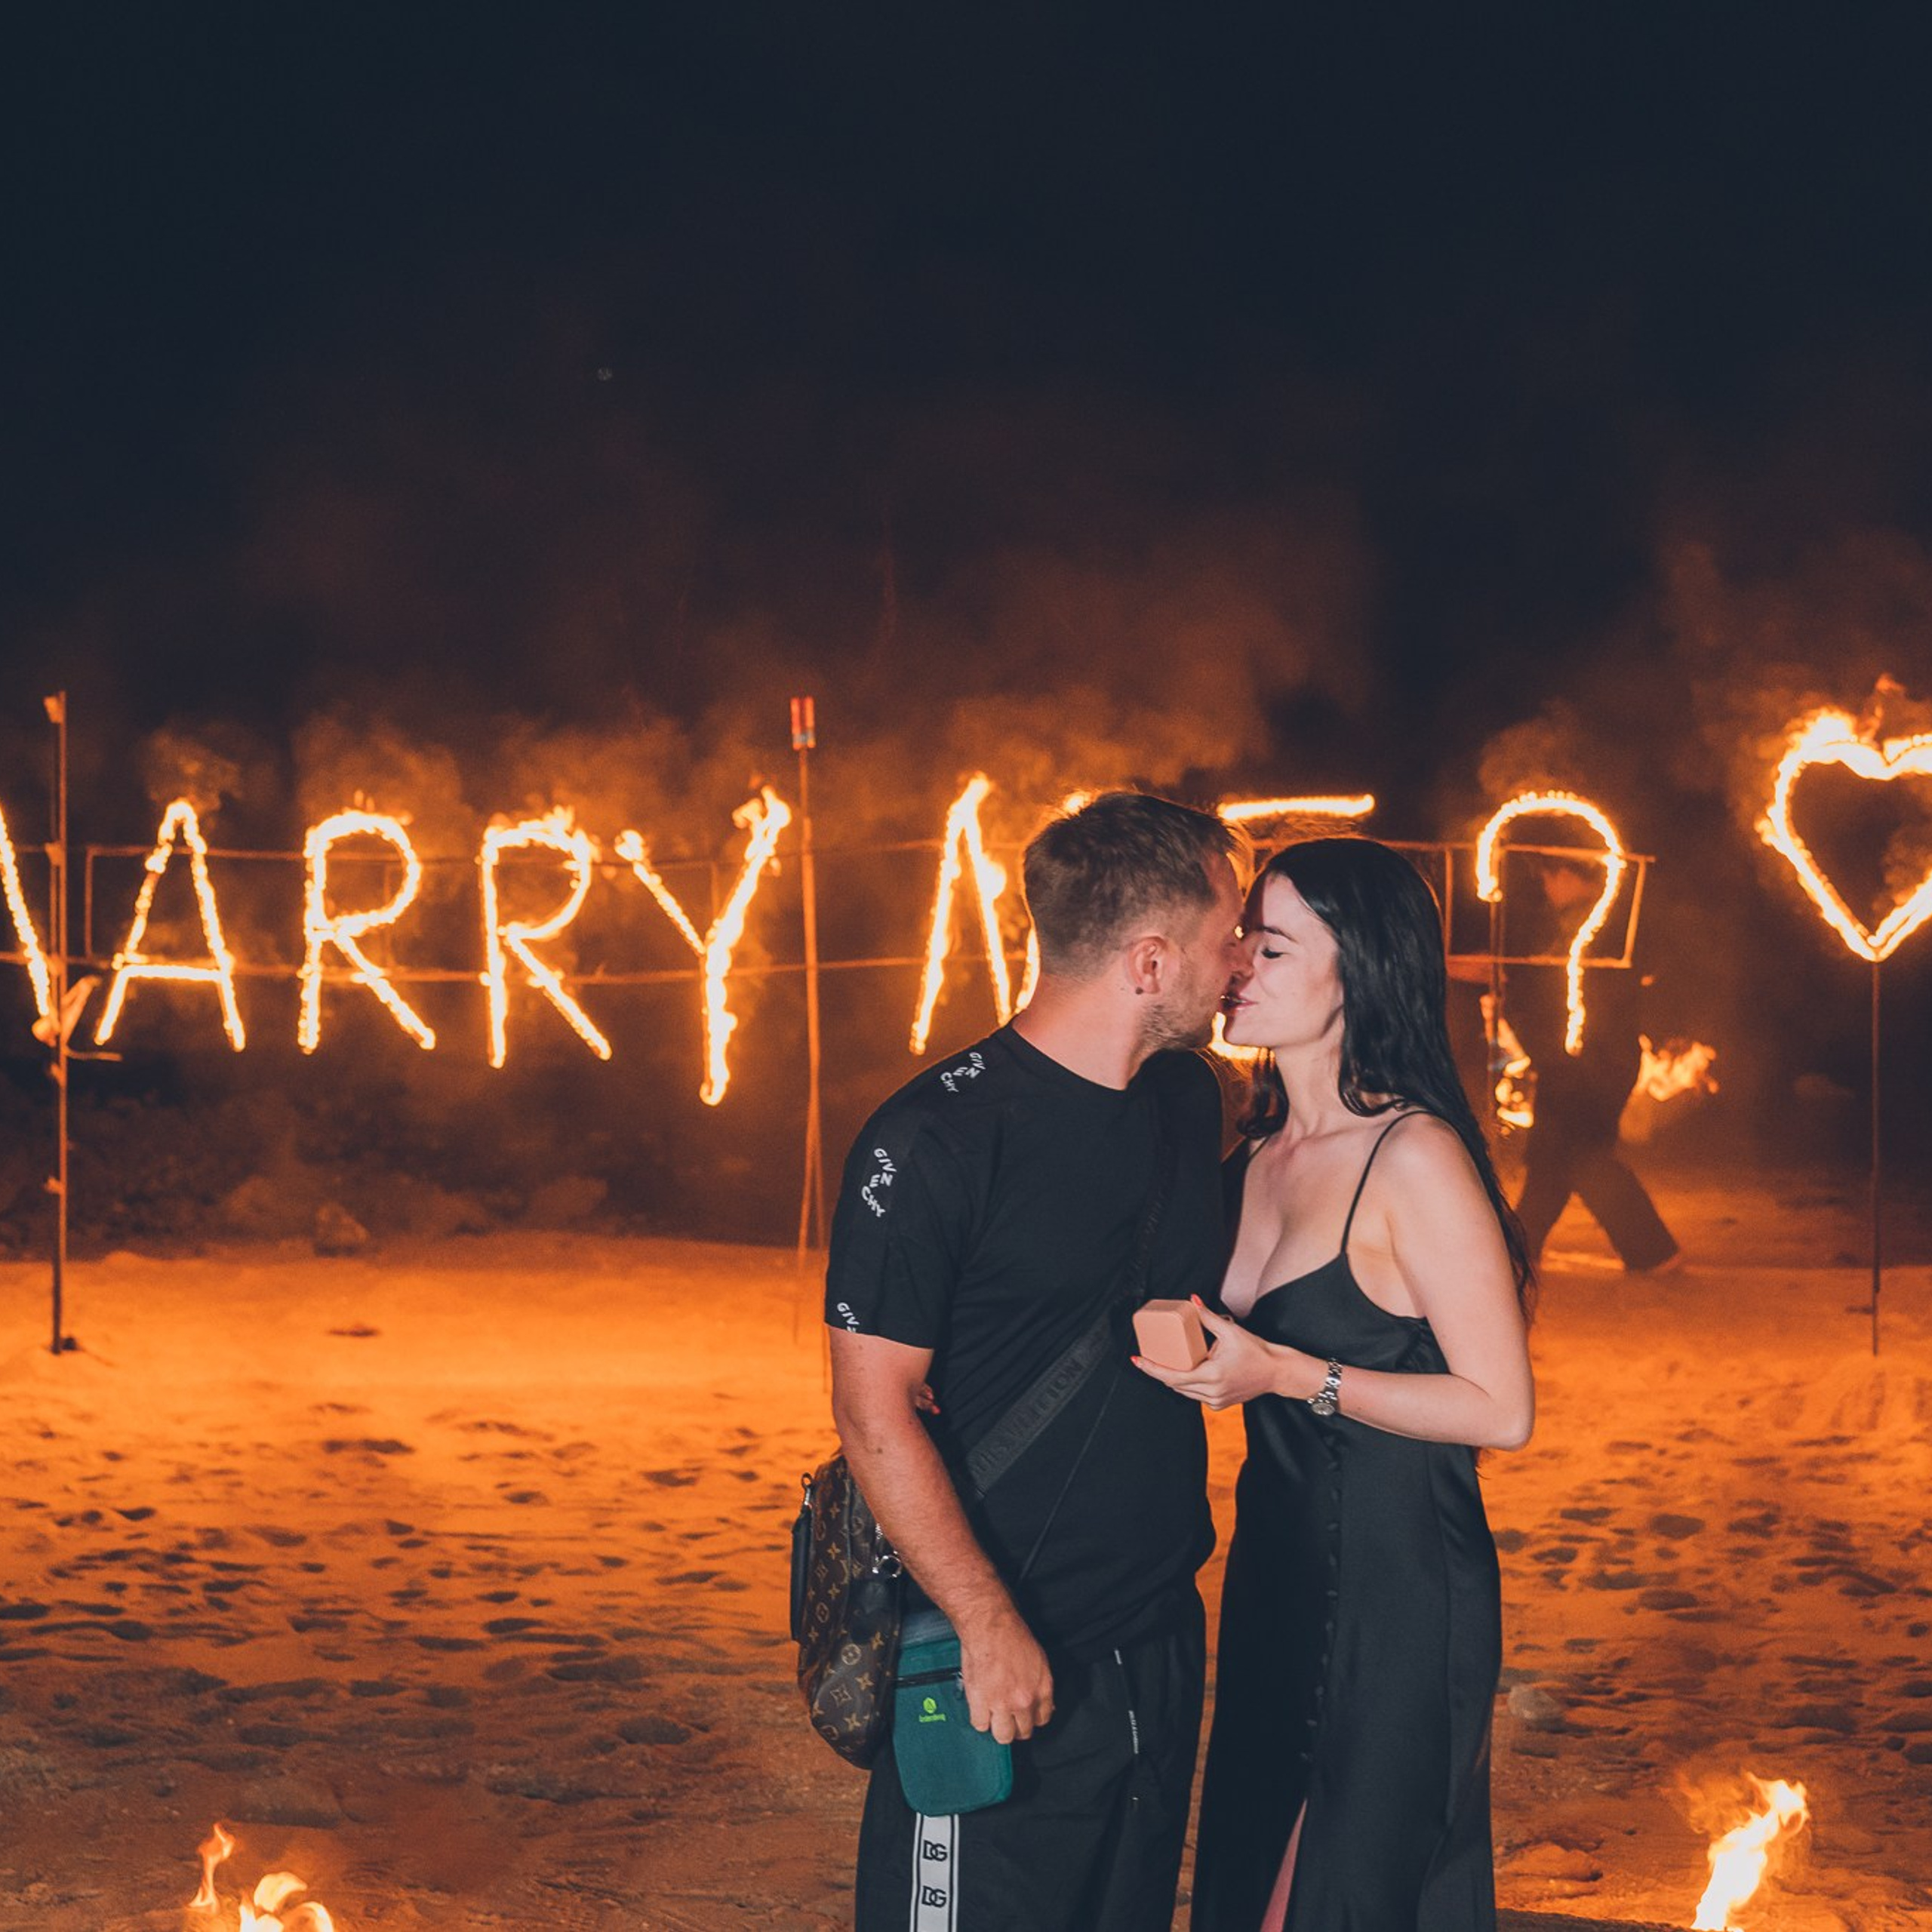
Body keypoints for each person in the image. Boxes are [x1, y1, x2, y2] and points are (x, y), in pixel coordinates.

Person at [823, 789, 1244, 1932]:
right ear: (1150, 963)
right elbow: (873, 1413)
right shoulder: (929, 1142)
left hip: (1156, 1638)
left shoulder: (1184, 1103)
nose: (1241, 962)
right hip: (993, 1659)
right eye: (1227, 937)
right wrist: (984, 1622)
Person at [1135, 837, 1535, 1932]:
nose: (1238, 970)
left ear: (1356, 968)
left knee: (1336, 1898)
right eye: (1242, 944)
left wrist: (1281, 1370)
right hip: (1275, 1562)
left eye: (1270, 946)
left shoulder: (1414, 1158)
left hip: (1402, 1584)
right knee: (1252, 1868)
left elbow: (1500, 1409)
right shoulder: (1252, 1152)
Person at [1509, 855, 1680, 1273]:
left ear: (1568, 873)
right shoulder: (1588, 924)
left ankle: (1654, 1250)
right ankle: (1516, 1251)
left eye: (1548, 877)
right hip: (1580, 1059)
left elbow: (1582, 995)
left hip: (1591, 1061)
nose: (1546, 890)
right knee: (1553, 1157)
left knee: (1584, 1157)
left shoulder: (1602, 926)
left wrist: (1515, 985)